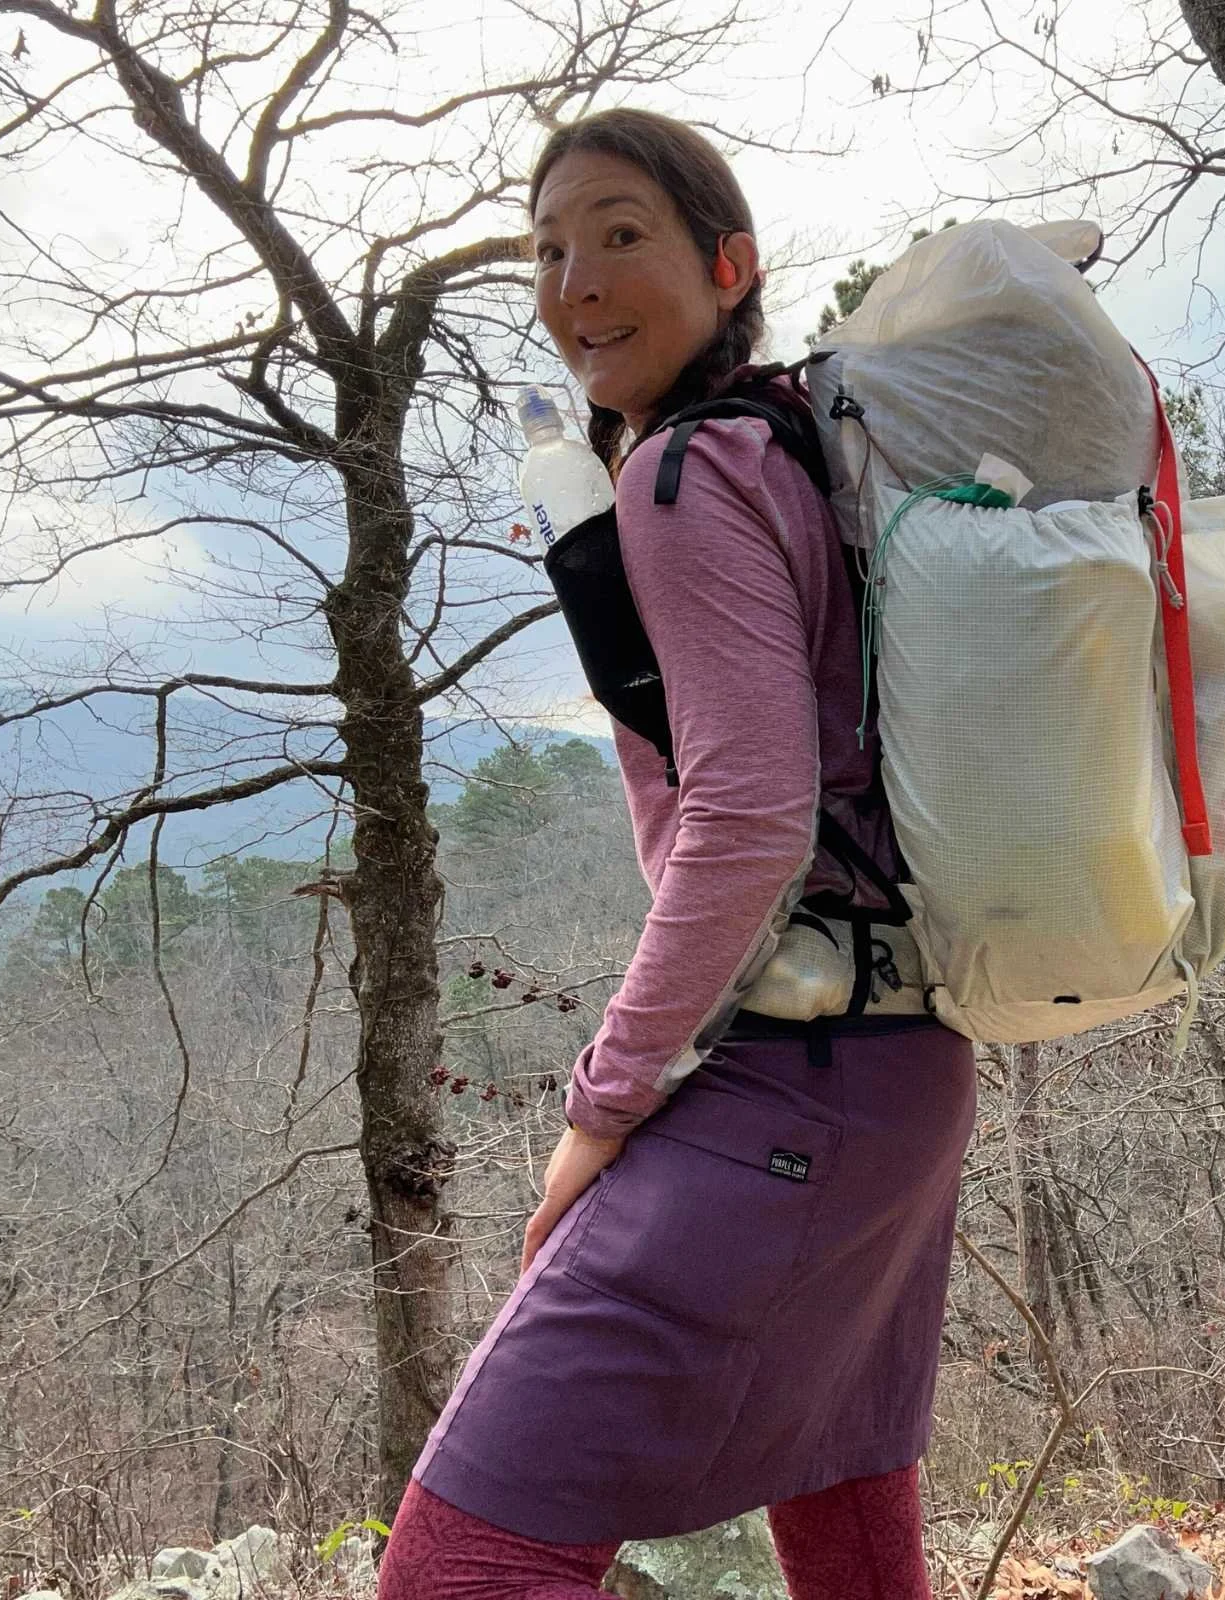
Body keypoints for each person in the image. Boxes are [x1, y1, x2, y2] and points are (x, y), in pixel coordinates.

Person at [378, 108, 977, 1600]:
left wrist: (602, 1105)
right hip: (908, 1070)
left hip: (787, 1082)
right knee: (846, 1525)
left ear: (730, 263)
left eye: (620, 233)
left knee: (461, 1568)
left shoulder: (688, 475)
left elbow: (750, 819)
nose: (575, 275)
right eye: (549, 246)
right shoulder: (809, 450)